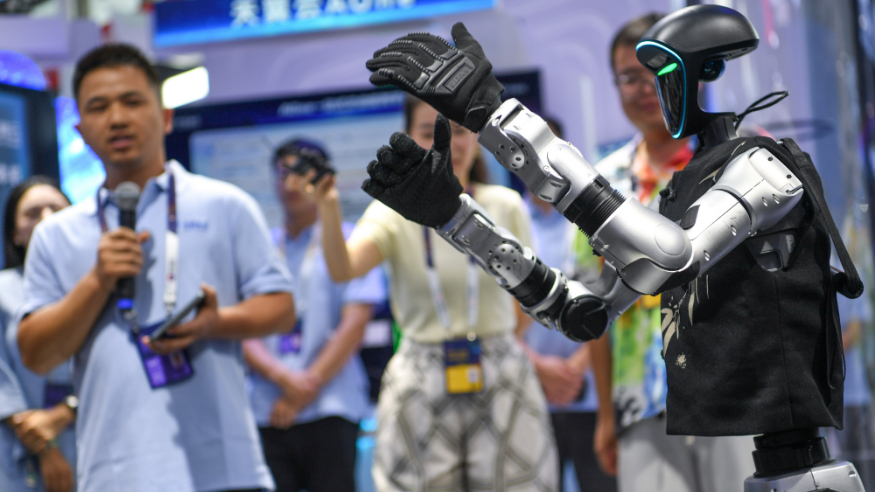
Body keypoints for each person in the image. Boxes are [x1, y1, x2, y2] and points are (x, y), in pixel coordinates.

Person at [16, 44, 296, 492]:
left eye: (132, 101)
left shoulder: (225, 204)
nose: (117, 118)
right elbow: (36, 355)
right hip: (113, 475)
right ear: (80, 130)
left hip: (225, 470)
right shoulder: (55, 234)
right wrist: (98, 281)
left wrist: (215, 323)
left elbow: (281, 309)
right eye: (99, 107)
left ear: (165, 117)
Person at [313, 95, 557, 491]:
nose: (448, 143)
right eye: (430, 132)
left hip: (500, 367)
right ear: (407, 138)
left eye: (458, 131)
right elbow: (344, 270)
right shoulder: (392, 211)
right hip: (420, 375)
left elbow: (528, 296)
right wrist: (328, 208)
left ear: (474, 138)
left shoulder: (505, 205)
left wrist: (496, 341)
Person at [583, 14, 755, 492]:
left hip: (737, 391)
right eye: (628, 76)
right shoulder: (601, 183)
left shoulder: (742, 159)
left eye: (656, 71)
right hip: (642, 404)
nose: (643, 88)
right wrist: (605, 415)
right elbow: (597, 305)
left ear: (691, 70)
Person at [243, 139, 386, 492]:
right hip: (267, 406)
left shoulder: (350, 241)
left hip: (330, 403)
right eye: (283, 174)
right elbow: (243, 328)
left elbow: (354, 324)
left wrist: (303, 389)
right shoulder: (261, 248)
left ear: (322, 179)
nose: (292, 184)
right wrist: (282, 378)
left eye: (302, 174)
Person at [518, 117, 616, 492]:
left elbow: (613, 296)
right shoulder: (507, 219)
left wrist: (578, 365)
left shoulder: (591, 219)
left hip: (591, 393)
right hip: (530, 394)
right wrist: (540, 368)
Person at [1, 177, 75, 492]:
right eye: (32, 213)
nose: (46, 219)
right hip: (20, 448)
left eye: (57, 209)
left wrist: (67, 411)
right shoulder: (3, 290)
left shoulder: (98, 288)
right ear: (15, 233)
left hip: (94, 431)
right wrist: (45, 446)